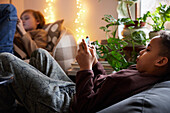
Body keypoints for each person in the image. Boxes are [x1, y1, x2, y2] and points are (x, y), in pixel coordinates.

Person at [0, 31, 170, 113]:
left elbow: (85, 107)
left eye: (148, 49)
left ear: (161, 61)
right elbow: (104, 81)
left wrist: (85, 68)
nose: (141, 52)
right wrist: (94, 63)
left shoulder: (133, 84)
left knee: (5, 59)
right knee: (41, 54)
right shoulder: (139, 70)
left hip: (65, 106)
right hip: (74, 92)